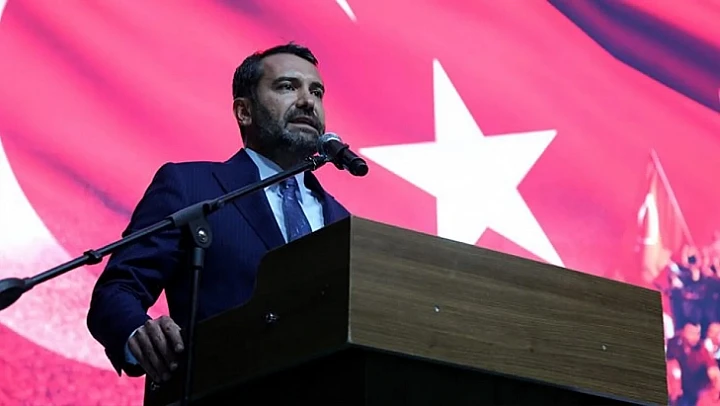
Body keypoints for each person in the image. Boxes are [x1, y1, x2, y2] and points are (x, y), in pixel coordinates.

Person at [86, 43, 350, 383]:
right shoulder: (192, 187)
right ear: (244, 111)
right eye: (287, 87)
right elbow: (117, 291)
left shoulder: (344, 223)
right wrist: (137, 332)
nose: (307, 101)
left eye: (316, 92)